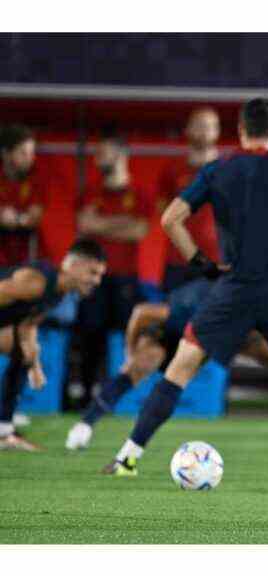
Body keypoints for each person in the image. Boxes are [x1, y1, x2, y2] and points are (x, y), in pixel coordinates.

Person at [103, 98, 268, 476]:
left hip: (231, 288)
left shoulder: (216, 169)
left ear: (240, 130)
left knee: (179, 370)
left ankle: (127, 456)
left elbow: (171, 219)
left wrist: (202, 264)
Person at [65, 278, 268, 451]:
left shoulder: (259, 321)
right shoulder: (196, 307)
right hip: (175, 337)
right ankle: (86, 424)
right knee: (142, 363)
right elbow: (143, 313)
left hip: (219, 335)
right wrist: (130, 352)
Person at [0, 239, 106, 450]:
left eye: (100, 275)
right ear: (74, 265)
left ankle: (3, 432)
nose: (97, 281)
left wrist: (35, 367)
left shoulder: (58, 293)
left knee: (25, 354)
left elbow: (27, 325)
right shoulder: (35, 281)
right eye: (93, 273)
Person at [75, 131, 151, 408]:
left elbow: (139, 230)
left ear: (121, 154)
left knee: (129, 338)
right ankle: (85, 396)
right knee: (90, 337)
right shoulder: (91, 192)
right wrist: (122, 223)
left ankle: (123, 397)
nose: (98, 158)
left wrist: (102, 223)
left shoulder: (138, 193)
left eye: (104, 152)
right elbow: (84, 225)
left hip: (126, 278)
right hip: (93, 278)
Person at [157, 108, 221, 292]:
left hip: (216, 260)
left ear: (217, 132)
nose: (203, 131)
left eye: (209, 127)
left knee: (217, 318)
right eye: (198, 125)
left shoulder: (229, 171)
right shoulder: (173, 169)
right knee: (173, 316)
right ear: (187, 129)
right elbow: (163, 212)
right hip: (178, 260)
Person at [0, 124, 44, 267]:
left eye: (32, 153)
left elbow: (35, 217)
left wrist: (15, 219)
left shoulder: (35, 181)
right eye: (23, 153)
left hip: (24, 265)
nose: (30, 158)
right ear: (6, 154)